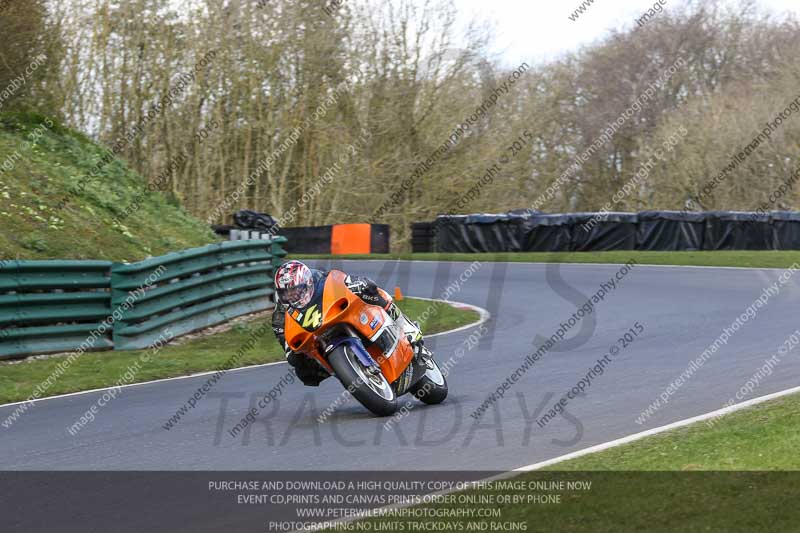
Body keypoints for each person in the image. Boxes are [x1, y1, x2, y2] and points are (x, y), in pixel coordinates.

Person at [271, 260, 423, 386]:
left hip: (335, 314)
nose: (293, 295)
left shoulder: (319, 279)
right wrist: (292, 351)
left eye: (296, 290)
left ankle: (406, 327)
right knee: (300, 368)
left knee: (367, 287)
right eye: (287, 293)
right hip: (316, 338)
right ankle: (347, 372)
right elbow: (285, 342)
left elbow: (338, 281)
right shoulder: (280, 315)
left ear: (307, 282)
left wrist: (352, 285)